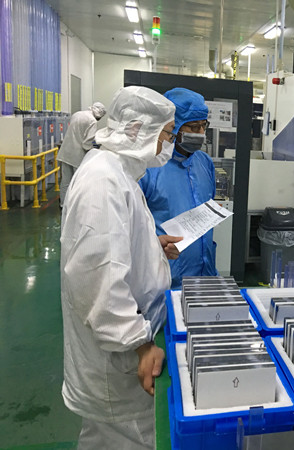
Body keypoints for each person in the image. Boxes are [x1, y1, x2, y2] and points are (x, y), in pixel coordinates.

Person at [60, 86, 183, 449]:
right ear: (137, 129)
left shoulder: (119, 172)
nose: (169, 144)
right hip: (117, 362)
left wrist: (150, 248)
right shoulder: (103, 181)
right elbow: (98, 279)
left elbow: (113, 247)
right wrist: (140, 345)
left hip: (121, 354)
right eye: (167, 134)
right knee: (123, 440)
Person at [140, 87, 218, 289]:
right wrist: (154, 244)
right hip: (166, 280)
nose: (201, 133)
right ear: (174, 127)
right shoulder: (150, 167)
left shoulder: (204, 163)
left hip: (205, 277)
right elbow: (134, 228)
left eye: (204, 126)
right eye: (193, 127)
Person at [57, 102, 106, 207]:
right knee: (79, 182)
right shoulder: (92, 121)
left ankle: (63, 205)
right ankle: (76, 206)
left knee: (65, 181)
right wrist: (94, 149)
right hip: (78, 156)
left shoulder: (77, 114)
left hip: (66, 152)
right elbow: (86, 143)